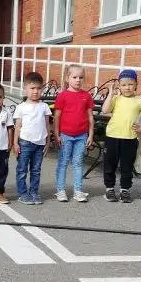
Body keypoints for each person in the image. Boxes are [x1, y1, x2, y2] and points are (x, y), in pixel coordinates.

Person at [101, 69, 141, 203]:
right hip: (112, 137)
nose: (127, 87)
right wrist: (111, 94)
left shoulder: (139, 102)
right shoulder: (116, 99)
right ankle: (109, 189)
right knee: (110, 164)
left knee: (127, 166)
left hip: (129, 139)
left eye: (130, 84)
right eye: (123, 85)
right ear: (119, 85)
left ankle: (125, 190)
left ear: (136, 85)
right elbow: (105, 110)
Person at [53, 64, 94, 202]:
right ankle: (60, 190)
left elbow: (90, 117)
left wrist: (91, 134)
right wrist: (57, 134)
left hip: (81, 136)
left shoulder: (86, 96)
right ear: (67, 78)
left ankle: (78, 190)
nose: (78, 80)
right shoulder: (62, 96)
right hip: (65, 135)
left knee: (78, 163)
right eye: (74, 77)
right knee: (63, 162)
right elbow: (57, 116)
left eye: (81, 77)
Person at [14, 72, 51, 205]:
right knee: (22, 170)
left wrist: (47, 142)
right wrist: (15, 143)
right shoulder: (21, 107)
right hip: (24, 143)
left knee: (36, 170)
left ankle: (34, 192)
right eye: (32, 88)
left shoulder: (44, 107)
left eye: (38, 88)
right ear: (25, 88)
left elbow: (47, 125)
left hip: (39, 144)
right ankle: (23, 194)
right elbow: (17, 126)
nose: (35, 91)